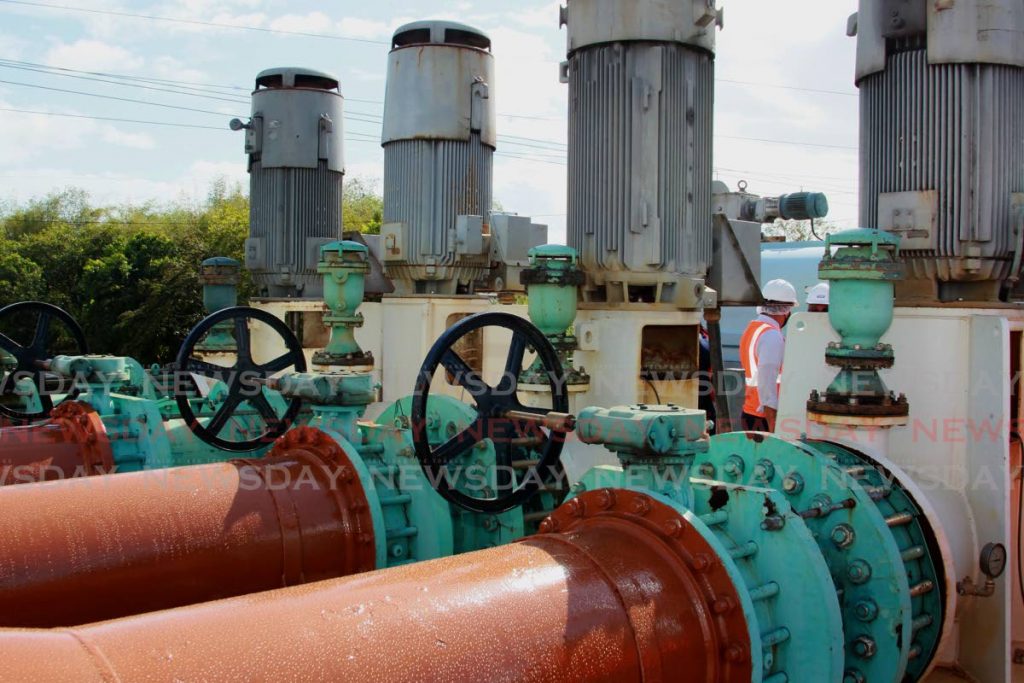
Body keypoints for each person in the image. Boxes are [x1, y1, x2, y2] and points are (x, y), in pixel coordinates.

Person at [740, 279, 798, 432]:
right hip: (764, 417)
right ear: (786, 311)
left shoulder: (753, 328)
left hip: (752, 412)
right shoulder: (772, 335)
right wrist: (773, 425)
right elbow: (767, 380)